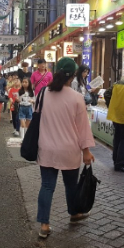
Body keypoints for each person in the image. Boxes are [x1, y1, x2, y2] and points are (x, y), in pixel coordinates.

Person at [35, 57, 96, 238]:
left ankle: (44, 225)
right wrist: (86, 151)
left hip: (46, 148)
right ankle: (74, 213)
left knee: (47, 186)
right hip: (69, 150)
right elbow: (83, 127)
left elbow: (36, 118)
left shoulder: (43, 93)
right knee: (71, 185)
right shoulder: (77, 98)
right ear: (73, 76)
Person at [104, 68, 124, 172]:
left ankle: (116, 161)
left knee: (117, 139)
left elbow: (106, 94)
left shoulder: (117, 83)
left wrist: (111, 106)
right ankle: (120, 164)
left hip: (115, 115)